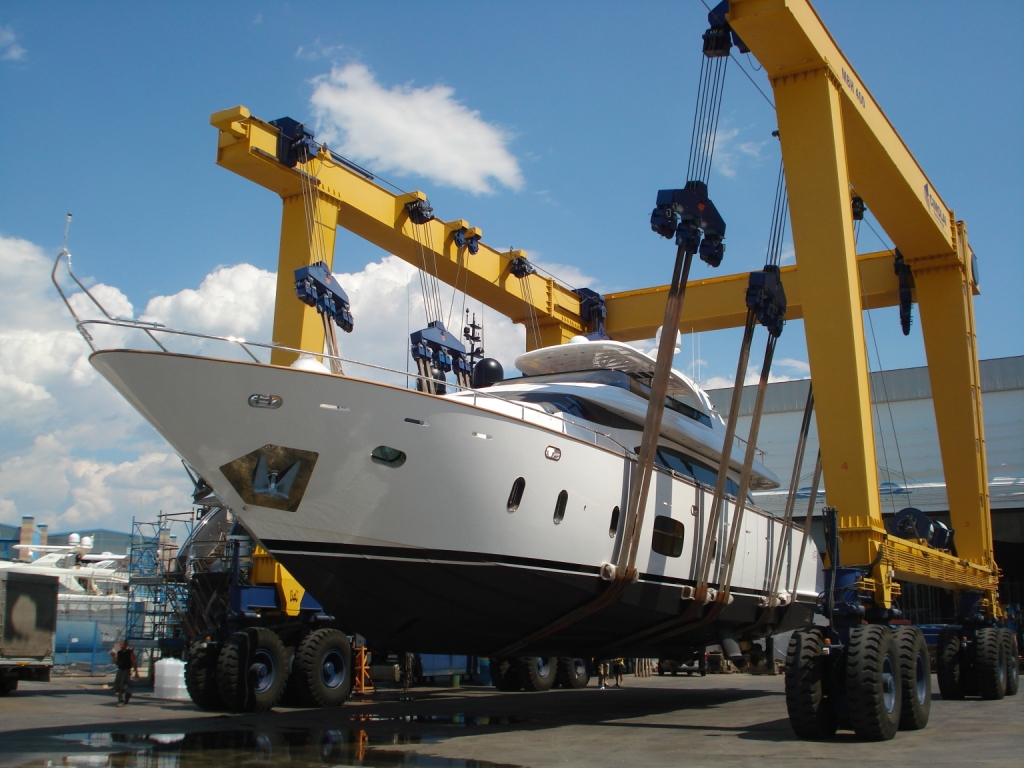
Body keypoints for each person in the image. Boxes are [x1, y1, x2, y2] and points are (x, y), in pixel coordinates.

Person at [110, 640, 140, 707]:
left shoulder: (130, 652)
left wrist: (136, 672)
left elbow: (133, 662)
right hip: (120, 669)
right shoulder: (119, 652)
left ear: (126, 645)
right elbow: (117, 662)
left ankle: (121, 701)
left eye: (122, 644)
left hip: (126, 670)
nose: (120, 646)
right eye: (120, 644)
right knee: (116, 685)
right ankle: (127, 694)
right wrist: (113, 656)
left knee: (122, 685)